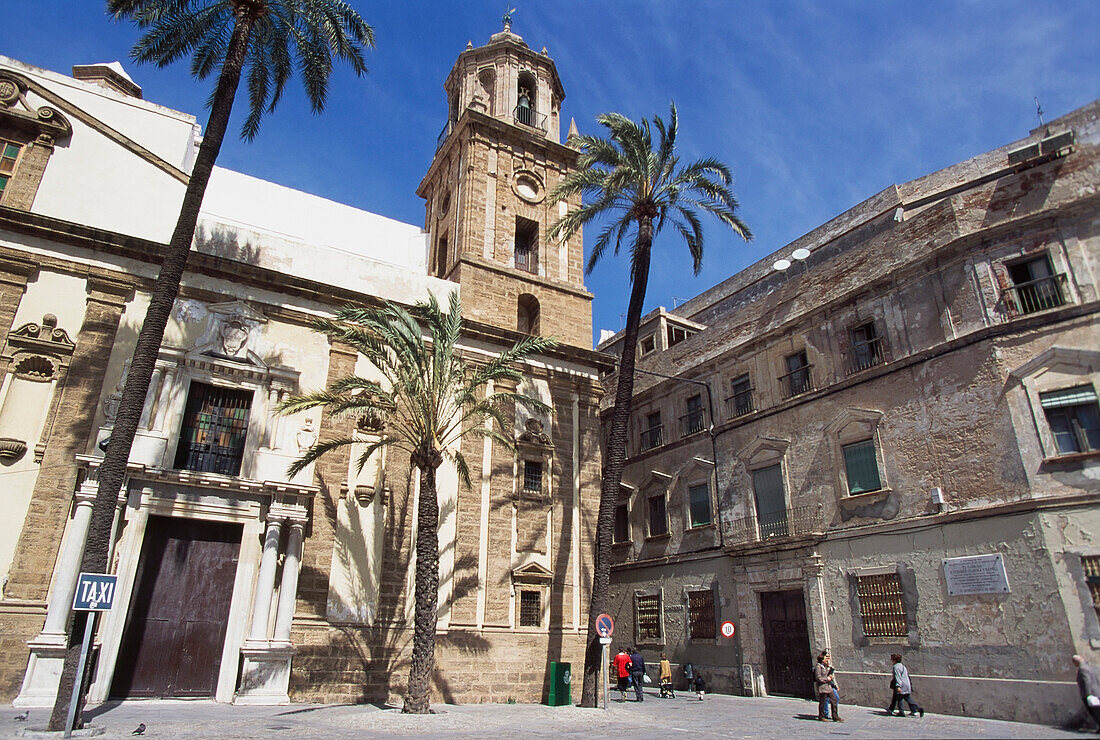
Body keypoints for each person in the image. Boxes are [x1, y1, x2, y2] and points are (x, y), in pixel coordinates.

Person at [1074, 654, 1100, 732]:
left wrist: (1088, 695)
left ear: (1076, 662)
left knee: (1094, 712)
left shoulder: (1082, 669)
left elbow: (1087, 681)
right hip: (1096, 692)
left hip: (1090, 694)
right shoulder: (1089, 667)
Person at [814, 651, 842, 722]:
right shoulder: (818, 666)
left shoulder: (826, 666)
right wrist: (827, 679)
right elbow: (818, 678)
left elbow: (829, 674)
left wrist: (831, 677)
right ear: (822, 658)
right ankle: (822, 716)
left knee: (834, 699)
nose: (828, 658)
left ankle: (835, 716)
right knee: (823, 702)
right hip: (822, 687)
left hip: (829, 686)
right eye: (826, 657)